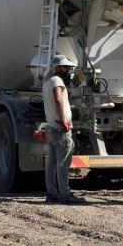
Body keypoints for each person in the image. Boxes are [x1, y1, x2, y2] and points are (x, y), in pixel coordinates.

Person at [43, 54, 85, 205]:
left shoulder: (47, 81)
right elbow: (58, 98)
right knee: (63, 163)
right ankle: (65, 195)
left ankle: (52, 194)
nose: (68, 70)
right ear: (57, 67)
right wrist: (63, 120)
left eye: (68, 67)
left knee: (52, 163)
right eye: (65, 67)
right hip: (60, 128)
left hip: (51, 127)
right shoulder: (57, 81)